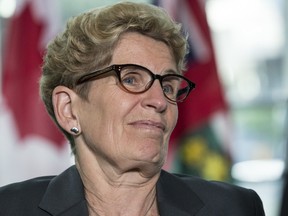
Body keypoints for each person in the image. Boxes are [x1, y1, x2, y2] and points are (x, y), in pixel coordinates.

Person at [0, 2, 265, 215]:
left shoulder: (235, 208)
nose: (160, 101)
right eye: (130, 79)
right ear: (68, 109)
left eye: (169, 86)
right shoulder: (10, 208)